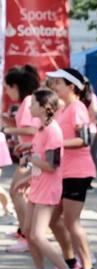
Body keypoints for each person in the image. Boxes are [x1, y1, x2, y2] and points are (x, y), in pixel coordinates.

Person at [17, 88, 82, 269]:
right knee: (28, 231)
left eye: (33, 103)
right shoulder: (41, 128)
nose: (29, 106)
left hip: (48, 190)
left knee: (37, 235)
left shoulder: (53, 130)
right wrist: (28, 178)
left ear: (45, 107)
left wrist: (30, 160)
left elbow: (53, 165)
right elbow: (41, 161)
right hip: (38, 186)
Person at [48, 68, 97, 269]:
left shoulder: (77, 107)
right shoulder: (63, 109)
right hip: (64, 172)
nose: (54, 86)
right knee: (52, 220)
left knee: (71, 221)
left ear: (71, 87)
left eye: (58, 83)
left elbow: (84, 140)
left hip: (78, 172)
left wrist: (55, 144)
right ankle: (70, 263)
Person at [2, 65, 41, 253]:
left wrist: (6, 129)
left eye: (8, 87)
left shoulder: (27, 101)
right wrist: (6, 120)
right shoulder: (27, 101)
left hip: (32, 156)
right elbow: (22, 125)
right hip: (30, 155)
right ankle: (25, 232)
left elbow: (32, 130)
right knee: (22, 194)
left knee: (16, 192)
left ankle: (27, 236)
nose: (7, 92)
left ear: (16, 86)